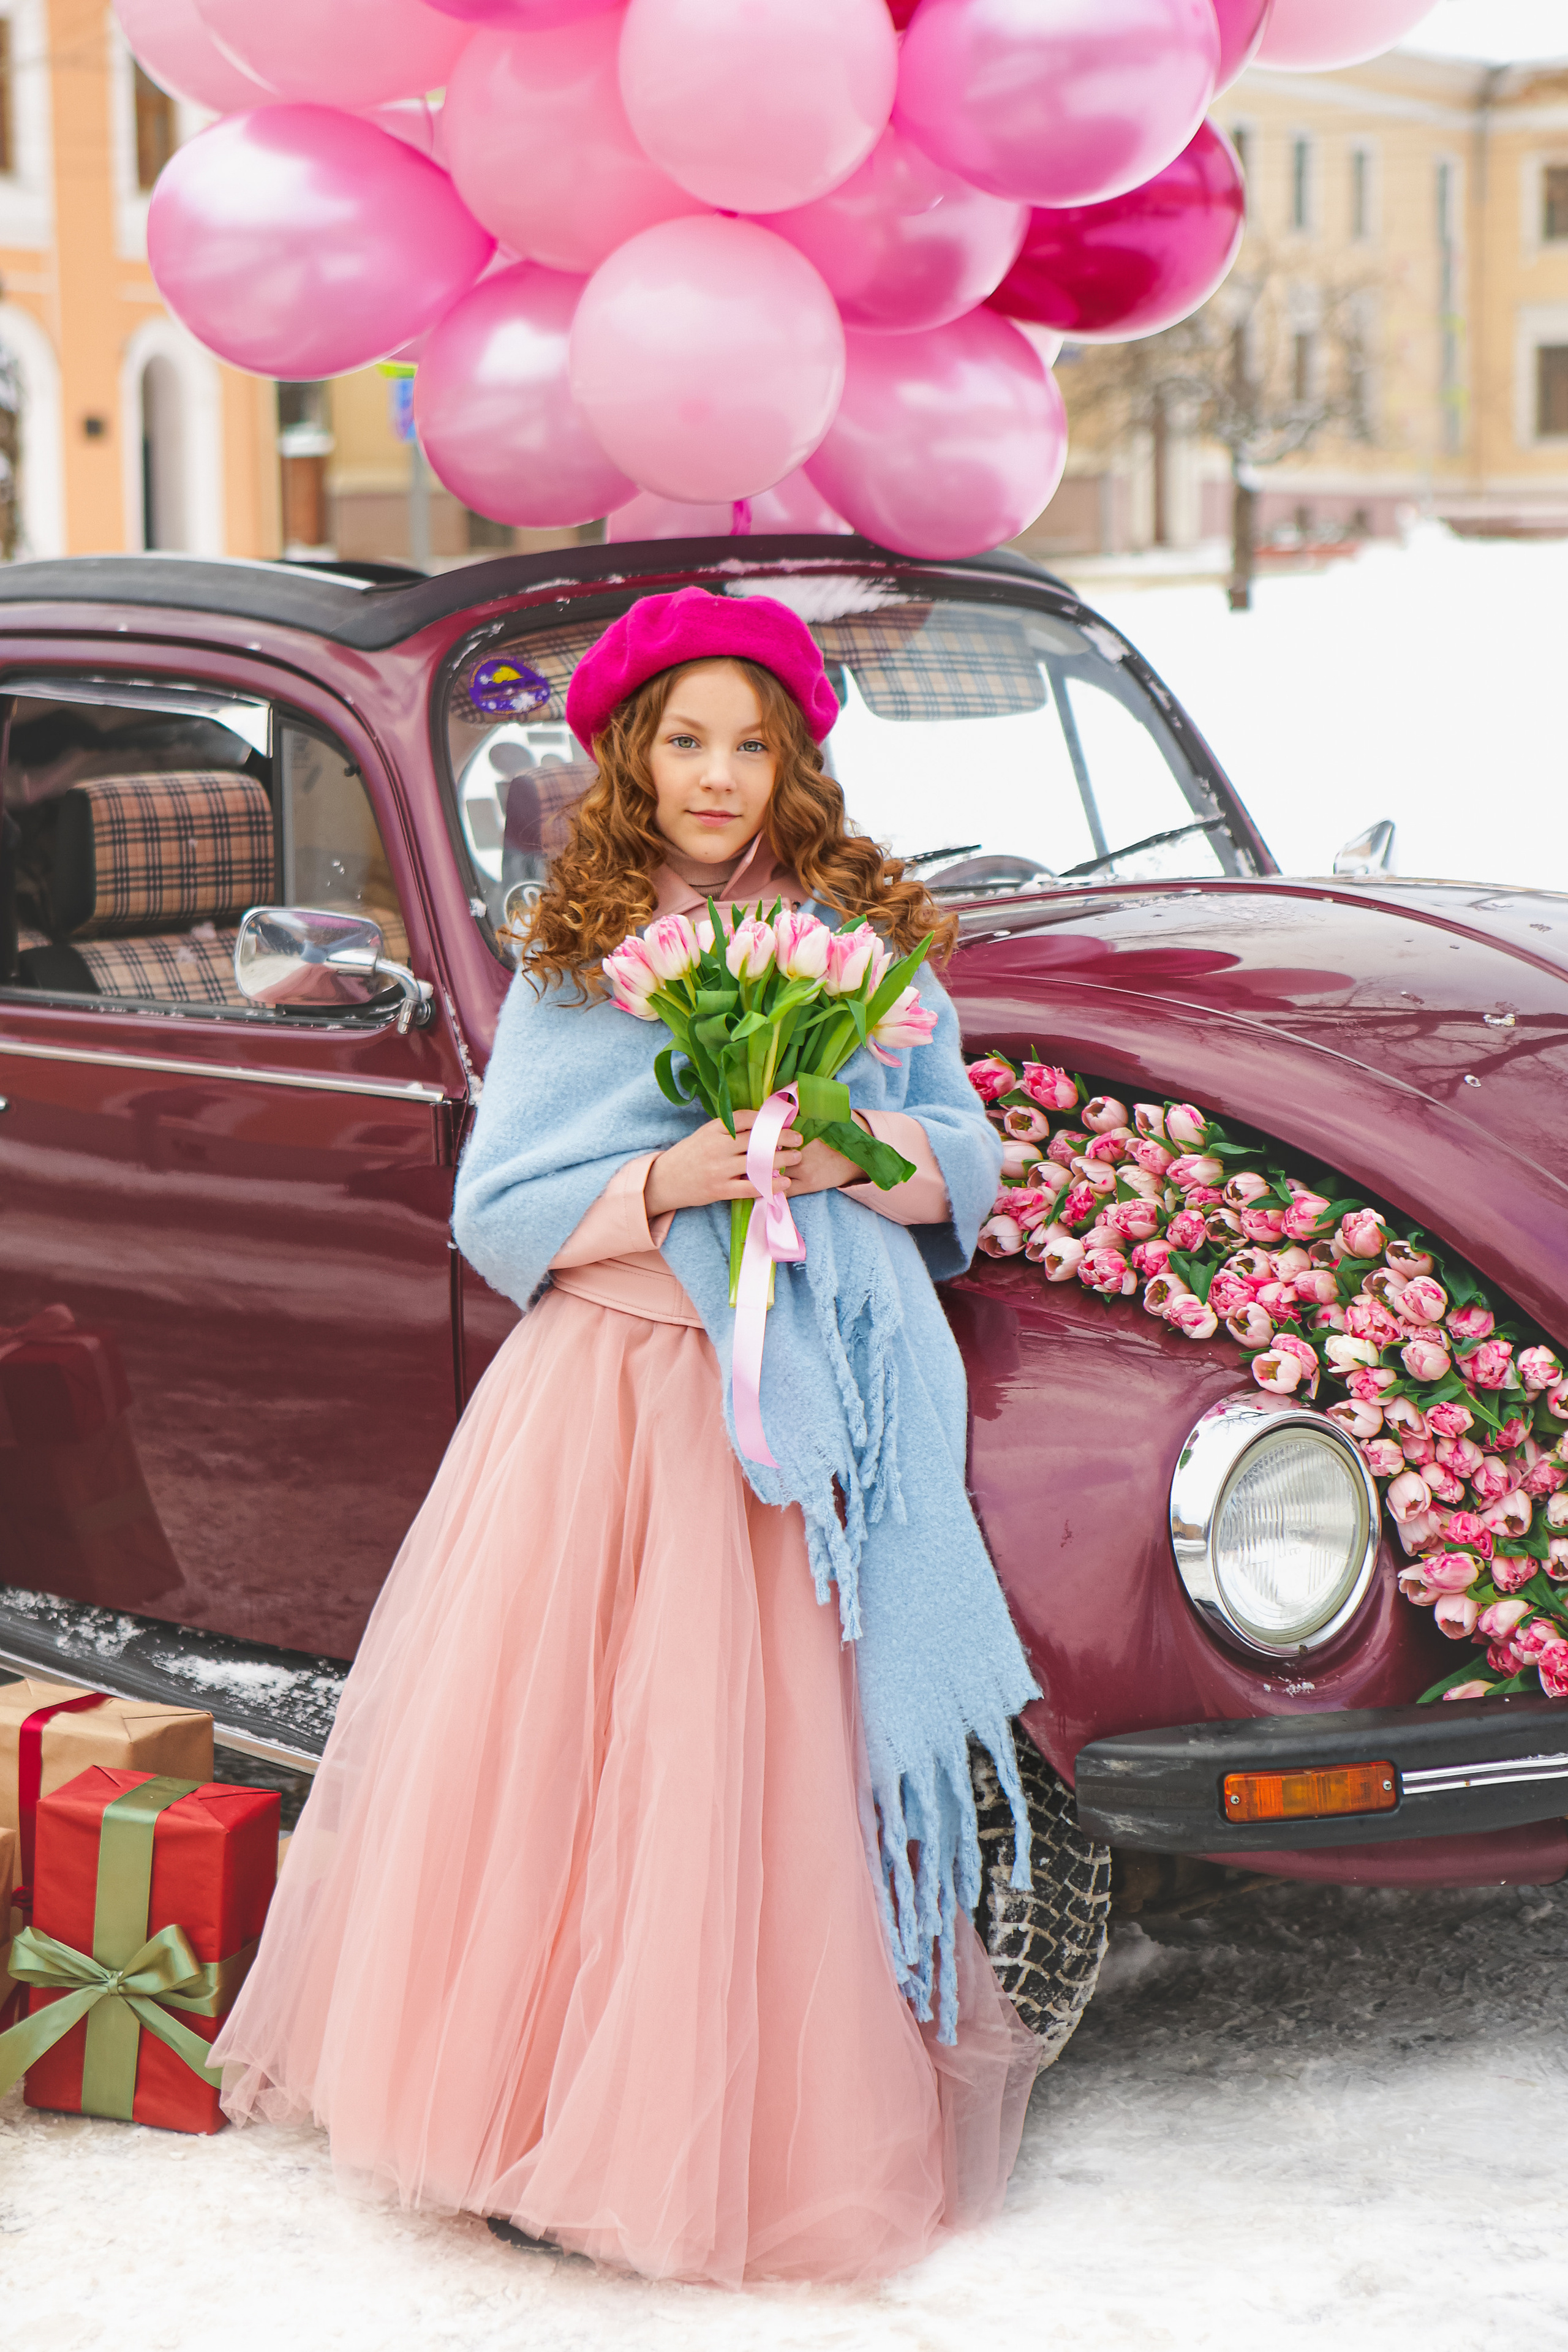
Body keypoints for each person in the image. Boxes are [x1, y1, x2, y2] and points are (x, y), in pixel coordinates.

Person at [213, 587, 1041, 2287]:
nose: (720, 777)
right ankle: (537, 2109)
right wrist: (676, 1174)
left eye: (753, 744)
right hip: (627, 1397)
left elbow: (958, 1150)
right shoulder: (582, 953)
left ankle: (757, 2116)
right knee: (596, 1760)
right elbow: (504, 1204)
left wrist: (853, 1152)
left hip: (808, 1417)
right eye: (687, 741)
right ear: (631, 756)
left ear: (796, 758)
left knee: (768, 1774)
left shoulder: (860, 936)